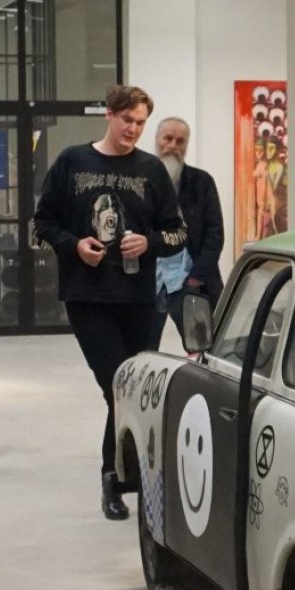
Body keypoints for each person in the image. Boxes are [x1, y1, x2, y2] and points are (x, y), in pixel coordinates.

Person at [33, 85, 187, 520]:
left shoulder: (151, 169)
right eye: (127, 120)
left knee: (131, 389)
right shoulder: (72, 162)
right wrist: (74, 245)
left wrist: (150, 241)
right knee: (116, 385)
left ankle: (121, 474)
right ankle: (114, 478)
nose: (133, 129)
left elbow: (178, 232)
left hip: (139, 298)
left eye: (140, 123)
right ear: (109, 115)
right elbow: (41, 223)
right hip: (88, 296)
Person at [150, 116, 225, 349]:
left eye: (180, 141)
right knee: (142, 351)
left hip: (189, 281)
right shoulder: (139, 179)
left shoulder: (202, 182)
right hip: (150, 283)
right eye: (168, 138)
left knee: (204, 347)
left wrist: (196, 278)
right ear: (157, 140)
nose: (173, 146)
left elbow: (215, 234)